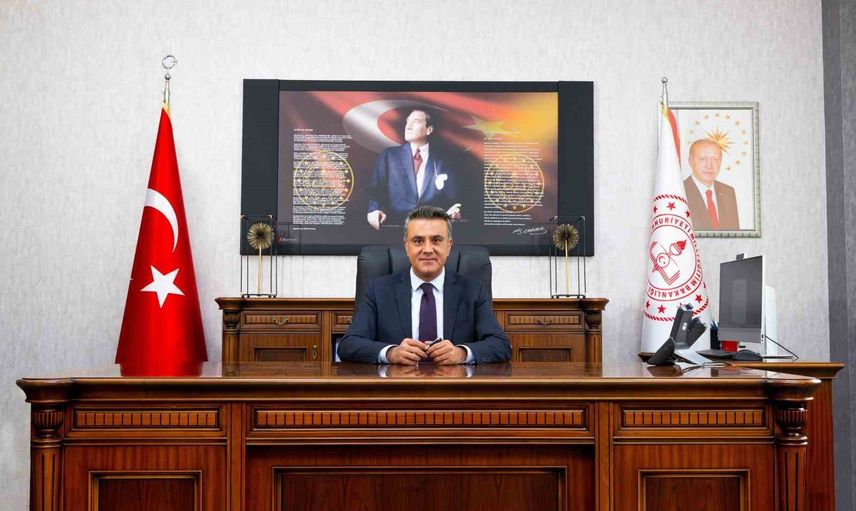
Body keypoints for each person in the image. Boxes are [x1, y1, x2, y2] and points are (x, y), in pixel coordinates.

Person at [338, 206, 511, 365]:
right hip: (396, 385)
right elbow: (349, 345)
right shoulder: (378, 290)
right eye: (418, 241)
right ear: (406, 246)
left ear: (448, 246)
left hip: (454, 385)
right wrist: (391, 353)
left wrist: (462, 353)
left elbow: (501, 345)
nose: (428, 249)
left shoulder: (473, 290)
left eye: (436, 240)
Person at [366, 109, 461, 229]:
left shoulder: (444, 161)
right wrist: (374, 210)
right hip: (395, 227)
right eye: (407, 122)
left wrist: (453, 211)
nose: (408, 126)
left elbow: (453, 199)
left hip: (433, 228)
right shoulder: (389, 156)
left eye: (415, 122)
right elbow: (375, 192)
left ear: (429, 130)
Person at [683, 138, 740, 230]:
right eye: (702, 159)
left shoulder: (728, 192)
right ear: (691, 161)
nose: (709, 165)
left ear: (720, 162)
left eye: (715, 159)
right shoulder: (680, 191)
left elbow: (735, 234)